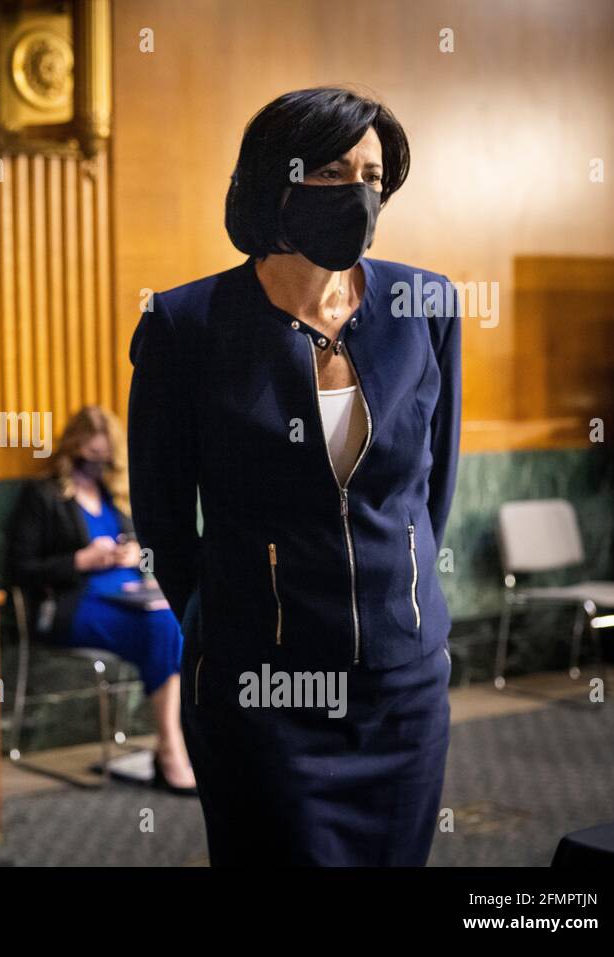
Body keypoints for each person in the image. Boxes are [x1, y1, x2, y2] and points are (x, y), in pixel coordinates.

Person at [128, 87, 461, 865]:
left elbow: (431, 493)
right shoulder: (188, 325)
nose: (359, 193)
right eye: (336, 170)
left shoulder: (427, 306)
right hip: (264, 689)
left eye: (374, 176)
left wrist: (400, 599)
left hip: (403, 687)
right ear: (279, 177)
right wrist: (241, 627)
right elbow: (166, 524)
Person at [7, 406, 195, 794]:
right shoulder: (43, 495)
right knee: (161, 625)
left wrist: (134, 553)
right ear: (72, 449)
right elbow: (19, 569)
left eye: (103, 457)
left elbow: (146, 551)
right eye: (89, 455)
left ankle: (181, 740)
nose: (96, 463)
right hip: (71, 605)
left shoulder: (116, 494)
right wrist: (81, 559)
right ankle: (171, 747)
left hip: (131, 596)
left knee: (179, 617)